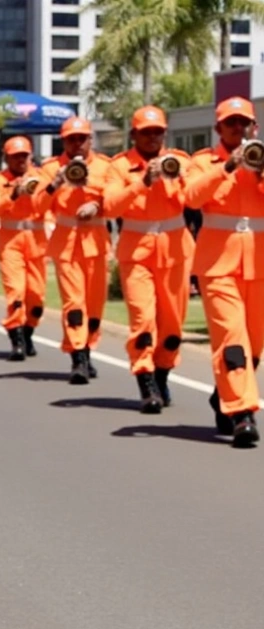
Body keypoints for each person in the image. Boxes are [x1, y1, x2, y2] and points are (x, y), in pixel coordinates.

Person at [103, 106, 194, 413]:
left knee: (172, 326)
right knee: (142, 319)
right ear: (134, 135)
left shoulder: (181, 160)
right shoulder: (119, 166)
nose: (153, 137)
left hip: (175, 249)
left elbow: (194, 199)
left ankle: (162, 373)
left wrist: (179, 178)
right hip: (137, 250)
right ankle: (146, 383)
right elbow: (111, 206)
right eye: (146, 132)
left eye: (158, 132)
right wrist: (143, 180)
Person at [185, 96, 264, 446]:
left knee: (255, 345)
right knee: (232, 339)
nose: (238, 128)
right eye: (231, 123)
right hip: (218, 265)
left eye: (243, 122)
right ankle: (244, 414)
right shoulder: (204, 161)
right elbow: (191, 197)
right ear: (218, 129)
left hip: (259, 264)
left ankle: (224, 396)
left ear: (253, 127)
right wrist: (227, 167)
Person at [39, 117, 116, 383]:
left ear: (90, 139)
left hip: (96, 241)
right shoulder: (51, 168)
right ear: (63, 141)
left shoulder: (106, 167)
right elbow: (37, 206)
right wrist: (56, 183)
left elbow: (117, 198)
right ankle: (78, 357)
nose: (77, 143)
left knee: (95, 305)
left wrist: (98, 206)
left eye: (82, 138)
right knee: (74, 303)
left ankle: (88, 347)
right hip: (66, 243)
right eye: (71, 138)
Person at [0, 136, 48, 361]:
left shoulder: (41, 177)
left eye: (23, 155)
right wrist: (12, 194)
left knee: (36, 297)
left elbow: (50, 202)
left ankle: (28, 331)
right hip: (11, 241)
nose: (20, 160)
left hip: (36, 241)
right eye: (15, 156)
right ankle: (16, 340)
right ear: (6, 158)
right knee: (16, 292)